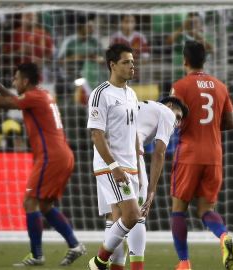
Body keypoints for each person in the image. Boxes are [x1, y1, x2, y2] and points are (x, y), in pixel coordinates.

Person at [0, 61, 86, 267]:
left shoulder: (33, 97)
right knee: (44, 205)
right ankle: (74, 245)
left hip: (51, 156)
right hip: (62, 154)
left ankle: (37, 255)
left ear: (25, 81)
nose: (13, 81)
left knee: (30, 202)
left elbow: (0, 102)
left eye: (16, 78)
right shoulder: (40, 94)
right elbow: (13, 97)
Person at [170, 40, 233, 270]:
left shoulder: (180, 86)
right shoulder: (220, 86)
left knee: (179, 209)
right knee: (206, 210)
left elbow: (174, 119)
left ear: (185, 60)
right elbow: (231, 122)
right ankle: (223, 236)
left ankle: (184, 262)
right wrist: (208, 127)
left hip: (189, 153)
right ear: (204, 60)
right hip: (214, 154)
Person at [102, 97, 188, 270]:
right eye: (178, 117)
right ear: (170, 106)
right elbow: (159, 152)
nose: (177, 123)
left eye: (179, 121)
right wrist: (151, 189)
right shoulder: (166, 112)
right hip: (128, 154)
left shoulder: (142, 107)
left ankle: (110, 265)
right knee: (138, 216)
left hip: (106, 153)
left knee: (115, 217)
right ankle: (118, 264)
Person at [86, 43, 141, 270]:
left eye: (133, 62)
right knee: (132, 216)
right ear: (112, 65)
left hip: (130, 166)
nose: (132, 66)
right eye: (126, 62)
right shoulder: (100, 94)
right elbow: (97, 135)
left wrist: (138, 159)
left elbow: (133, 130)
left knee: (118, 220)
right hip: (111, 167)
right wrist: (114, 166)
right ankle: (99, 261)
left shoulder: (131, 93)